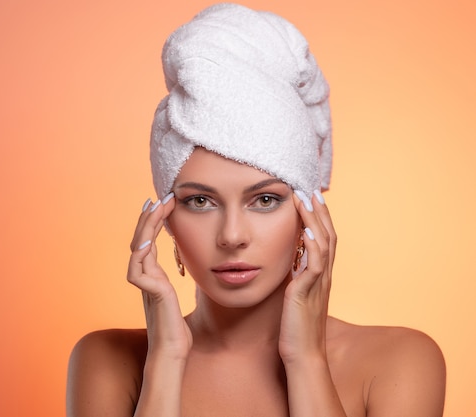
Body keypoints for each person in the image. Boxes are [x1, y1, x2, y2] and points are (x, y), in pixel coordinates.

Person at [66, 3, 446, 416]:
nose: (232, 235)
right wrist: (166, 360)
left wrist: (306, 361)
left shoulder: (398, 362)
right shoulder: (108, 360)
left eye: (265, 200)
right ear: (166, 220)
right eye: (199, 201)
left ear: (308, 214)